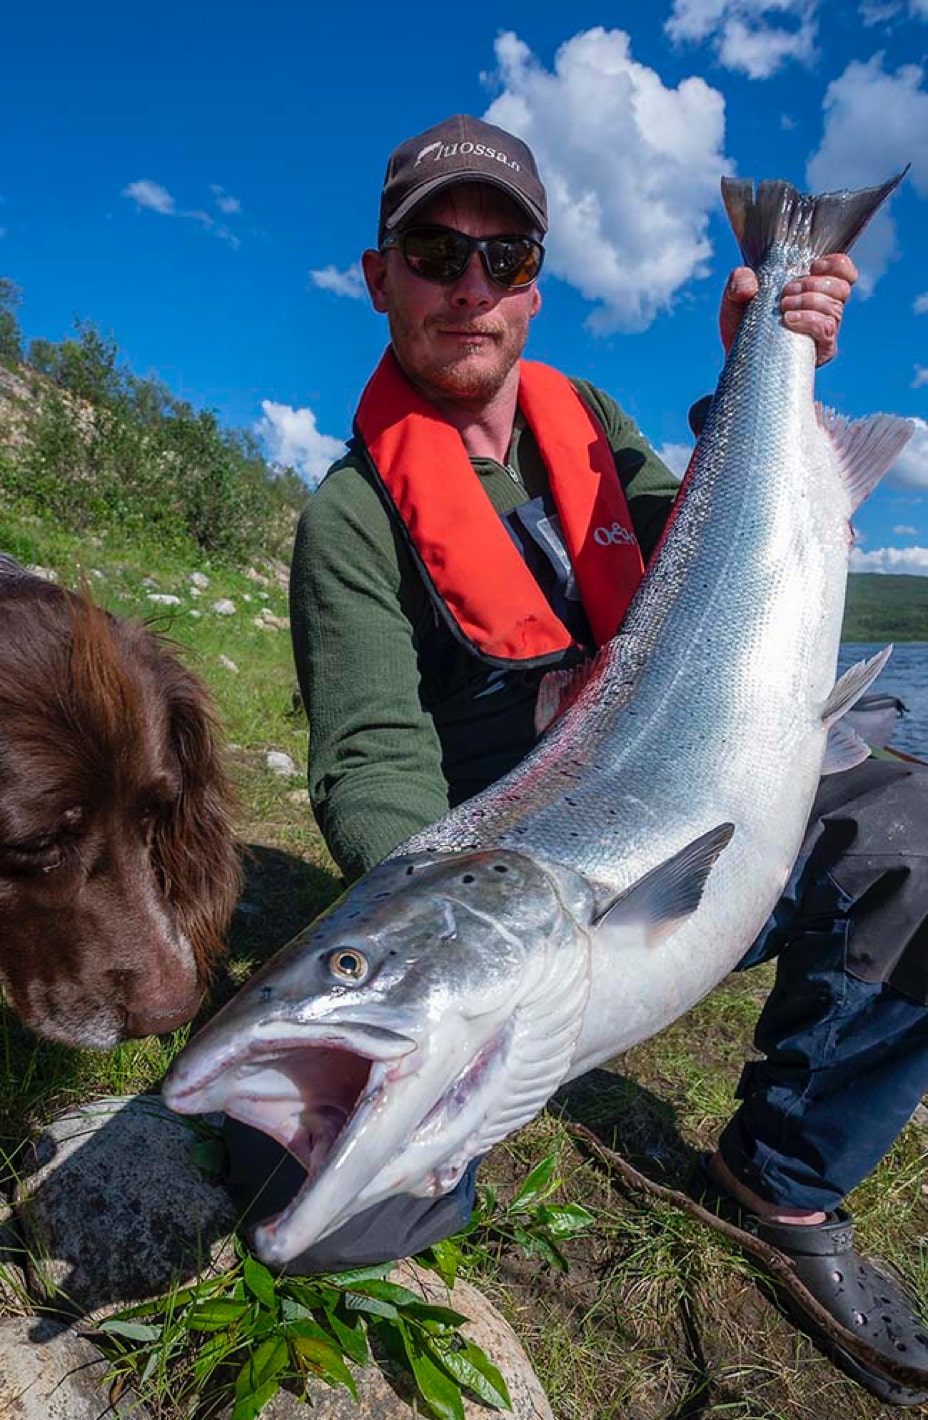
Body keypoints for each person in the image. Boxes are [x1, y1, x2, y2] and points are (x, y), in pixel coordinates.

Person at [244, 115, 928, 1405]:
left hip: (707, 755)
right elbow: (374, 764)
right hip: (531, 863)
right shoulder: (351, 515)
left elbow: (723, 548)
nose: (470, 287)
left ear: (536, 283)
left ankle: (782, 1178)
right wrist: (448, 939)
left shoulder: (589, 419)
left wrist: (759, 361)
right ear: (377, 273)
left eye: (503, 258)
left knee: (924, 844)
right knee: (320, 1198)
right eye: (436, 251)